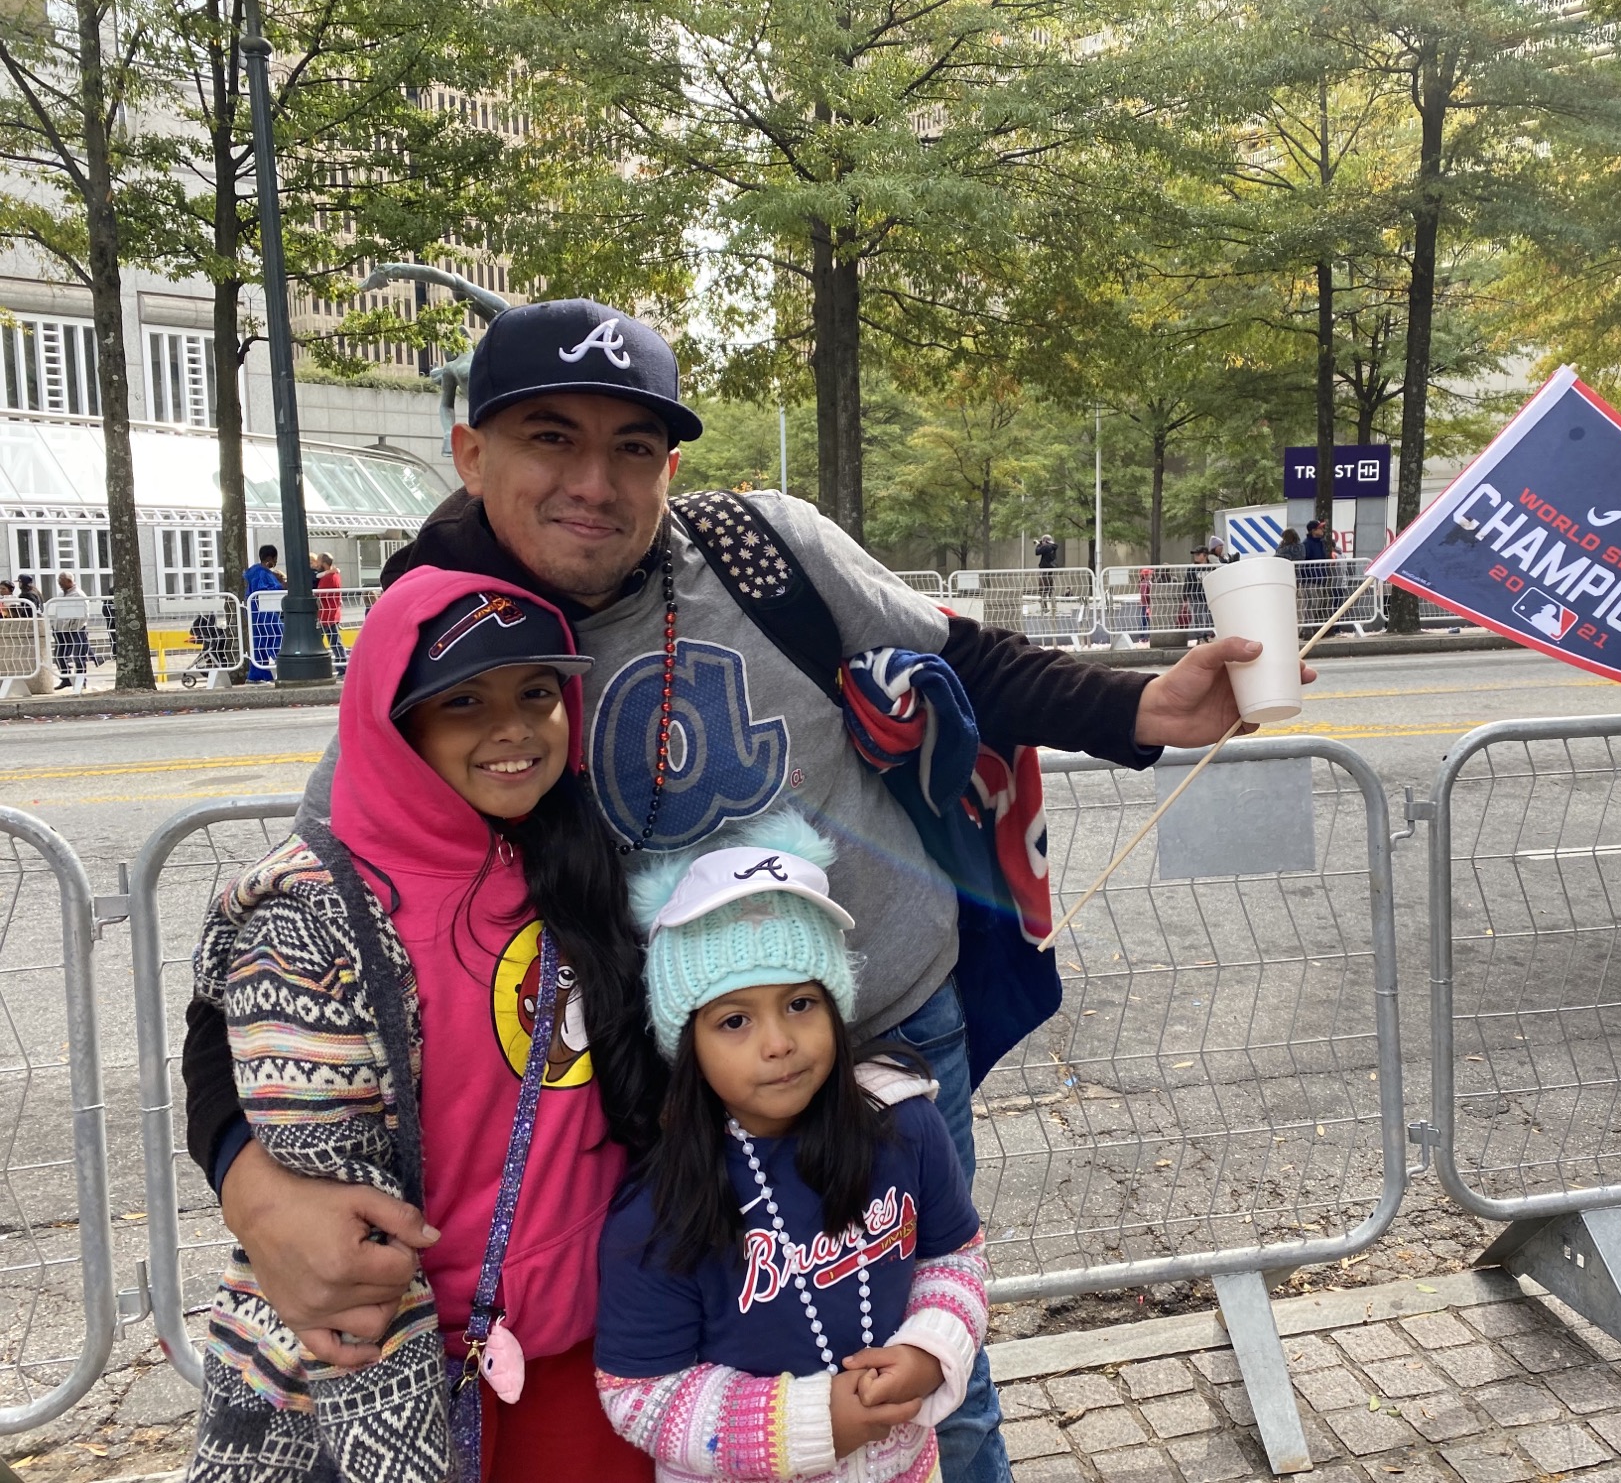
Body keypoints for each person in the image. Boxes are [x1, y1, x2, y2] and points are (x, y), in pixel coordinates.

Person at [177, 298, 1298, 1483]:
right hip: (658, 1089)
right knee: (713, 1380)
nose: (593, 483)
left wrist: (1138, 709)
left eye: (634, 448)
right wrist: (253, 1185)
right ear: (471, 452)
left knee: (924, 1372)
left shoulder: (759, 549)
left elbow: (956, 652)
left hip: (881, 1028)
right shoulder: (444, 639)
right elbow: (290, 937)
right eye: (550, 437)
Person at [188, 567, 659, 1483]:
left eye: (536, 692)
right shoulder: (314, 921)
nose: (514, 727)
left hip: (598, 1361)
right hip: (404, 1379)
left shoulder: (584, 869)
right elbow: (335, 1219)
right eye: (463, 702)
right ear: (394, 726)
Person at [596, 810, 987, 1483]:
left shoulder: (906, 1129)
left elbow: (954, 1259)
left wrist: (931, 1350)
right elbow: (640, 1396)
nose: (777, 1042)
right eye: (735, 1020)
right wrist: (812, 1423)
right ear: (686, 1044)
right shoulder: (660, 1210)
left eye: (800, 1004)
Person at [243, 545, 285, 682]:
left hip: (256, 614)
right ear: (270, 558)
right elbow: (264, 591)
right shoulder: (262, 573)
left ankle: (258, 675)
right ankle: (285, 667)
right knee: (275, 637)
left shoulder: (255, 572)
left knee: (259, 643)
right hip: (265, 613)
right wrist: (282, 586)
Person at [44, 572, 91, 688]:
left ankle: (81, 681)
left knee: (78, 656)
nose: (59, 584)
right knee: (59, 656)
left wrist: (73, 626)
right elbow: (58, 613)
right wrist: (55, 626)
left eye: (61, 581)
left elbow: (84, 615)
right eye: (59, 581)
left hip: (76, 630)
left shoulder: (79, 595)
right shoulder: (61, 595)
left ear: (69, 581)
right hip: (60, 630)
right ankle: (66, 679)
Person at [313, 553, 349, 671]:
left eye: (318, 561)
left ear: (324, 563)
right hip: (332, 613)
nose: (316, 564)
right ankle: (342, 666)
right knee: (335, 641)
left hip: (326, 615)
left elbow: (320, 593)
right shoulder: (334, 575)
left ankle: (324, 666)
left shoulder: (328, 577)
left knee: (316, 641)